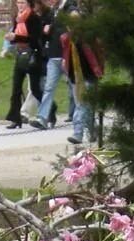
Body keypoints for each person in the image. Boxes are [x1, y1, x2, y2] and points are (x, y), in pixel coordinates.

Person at [2, 0, 47, 130]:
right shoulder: (18, 18)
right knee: (16, 88)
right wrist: (12, 39)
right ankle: (15, 118)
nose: (20, 5)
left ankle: (50, 109)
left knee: (35, 89)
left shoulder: (34, 18)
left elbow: (34, 39)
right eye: (18, 3)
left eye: (22, 2)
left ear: (28, 4)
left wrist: (16, 37)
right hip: (21, 55)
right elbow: (16, 36)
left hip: (33, 55)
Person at [32, 0, 75, 131]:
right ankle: (42, 117)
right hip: (54, 55)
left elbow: (71, 31)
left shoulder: (70, 8)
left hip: (66, 56)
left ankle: (83, 119)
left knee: (75, 88)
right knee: (49, 88)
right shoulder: (53, 11)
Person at [61, 14, 104, 146]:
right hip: (75, 78)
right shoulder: (67, 40)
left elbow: (97, 55)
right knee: (84, 106)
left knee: (83, 106)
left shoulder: (87, 39)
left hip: (89, 77)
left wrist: (98, 71)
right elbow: (66, 59)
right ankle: (88, 132)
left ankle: (80, 133)